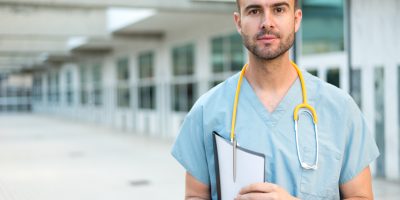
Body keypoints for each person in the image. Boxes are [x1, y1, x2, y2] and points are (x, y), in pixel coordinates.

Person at [171, 0, 379, 199]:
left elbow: (360, 196)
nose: (266, 22)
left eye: (279, 9)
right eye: (254, 11)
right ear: (238, 22)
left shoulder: (339, 109)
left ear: (296, 19)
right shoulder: (207, 111)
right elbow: (195, 195)